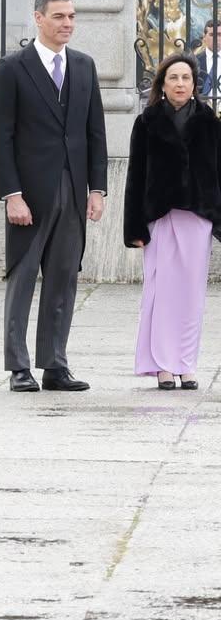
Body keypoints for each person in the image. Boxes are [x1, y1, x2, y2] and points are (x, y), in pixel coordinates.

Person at [0, 0, 108, 393]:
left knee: (63, 279)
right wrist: (12, 194)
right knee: (22, 279)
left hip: (74, 190)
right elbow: (0, 138)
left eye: (72, 16)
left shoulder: (84, 66)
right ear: (38, 18)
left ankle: (55, 363)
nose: (68, 24)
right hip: (30, 194)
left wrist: (98, 189)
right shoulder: (12, 68)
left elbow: (95, 133)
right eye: (59, 16)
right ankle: (18, 366)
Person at [124, 53, 221, 391]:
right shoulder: (147, 121)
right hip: (159, 215)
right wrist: (134, 227)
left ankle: (186, 364)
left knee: (192, 294)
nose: (180, 84)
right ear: (162, 84)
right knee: (161, 290)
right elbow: (135, 175)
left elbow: (217, 173)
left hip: (198, 216)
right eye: (173, 78)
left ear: (195, 85)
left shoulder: (209, 120)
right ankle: (163, 365)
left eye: (186, 78)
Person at [196, 19, 220, 97]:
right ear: (204, 37)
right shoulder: (194, 60)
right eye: (212, 35)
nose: (216, 38)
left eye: (219, 34)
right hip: (202, 107)